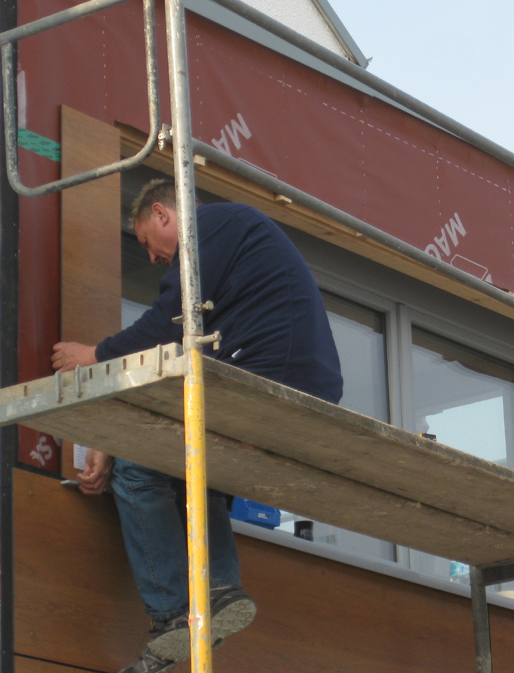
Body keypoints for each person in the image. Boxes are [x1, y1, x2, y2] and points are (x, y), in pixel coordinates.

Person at [52, 179, 343, 673]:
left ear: (163, 214)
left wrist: (94, 357)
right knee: (192, 468)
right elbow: (179, 364)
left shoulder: (211, 226)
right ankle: (219, 591)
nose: (151, 258)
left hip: (266, 377)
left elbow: (165, 324)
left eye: (147, 241)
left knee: (138, 469)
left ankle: (172, 616)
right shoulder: (237, 248)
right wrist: (113, 432)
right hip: (291, 381)